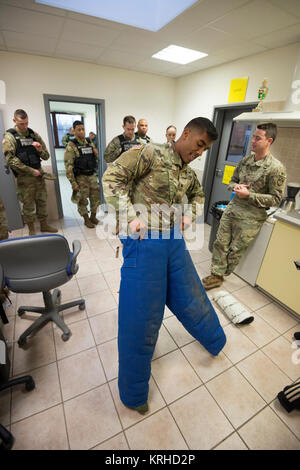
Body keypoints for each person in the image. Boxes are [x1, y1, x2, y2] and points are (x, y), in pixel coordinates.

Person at [102, 117, 226, 414]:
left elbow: (198, 194)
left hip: (172, 241)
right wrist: (130, 217)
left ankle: (216, 341)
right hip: (144, 243)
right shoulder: (149, 153)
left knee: (192, 298)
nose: (199, 153)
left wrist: (191, 213)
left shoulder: (187, 171)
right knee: (142, 317)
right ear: (185, 135)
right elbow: (111, 178)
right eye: (198, 145)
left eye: (205, 149)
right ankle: (134, 395)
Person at [202, 122, 287, 291]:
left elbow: (276, 198)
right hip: (233, 208)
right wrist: (235, 187)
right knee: (220, 243)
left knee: (235, 250)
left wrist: (250, 195)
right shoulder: (246, 161)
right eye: (253, 137)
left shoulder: (276, 168)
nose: (252, 141)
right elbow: (232, 180)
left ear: (269, 141)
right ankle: (216, 276)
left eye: (257, 138)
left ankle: (222, 273)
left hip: (251, 217)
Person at [2, 109, 58, 236]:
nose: (25, 126)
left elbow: (46, 156)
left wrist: (39, 150)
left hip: (39, 175)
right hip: (24, 179)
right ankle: (31, 228)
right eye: (22, 124)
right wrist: (30, 171)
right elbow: (10, 160)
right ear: (14, 121)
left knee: (42, 201)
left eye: (26, 123)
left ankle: (44, 225)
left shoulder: (33, 134)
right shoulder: (10, 137)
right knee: (28, 205)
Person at [64, 120, 101, 228]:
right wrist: (73, 183)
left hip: (92, 175)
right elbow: (68, 166)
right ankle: (86, 219)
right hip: (80, 177)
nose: (81, 132)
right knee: (82, 200)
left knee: (96, 197)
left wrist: (96, 153)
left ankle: (93, 217)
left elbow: (96, 158)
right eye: (79, 130)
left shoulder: (89, 142)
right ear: (74, 131)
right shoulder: (71, 145)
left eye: (83, 129)